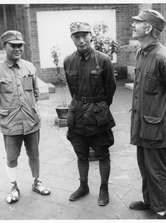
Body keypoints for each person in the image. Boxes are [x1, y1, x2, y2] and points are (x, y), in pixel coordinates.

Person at [129, 9, 166, 219]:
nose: (133, 25)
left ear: (149, 28)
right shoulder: (141, 52)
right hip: (141, 122)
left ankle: (161, 208)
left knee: (156, 169)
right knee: (144, 165)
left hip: (156, 125)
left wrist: (165, 110)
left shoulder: (163, 57)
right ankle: (149, 201)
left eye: (137, 22)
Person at [0, 30, 51, 204]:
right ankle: (14, 186)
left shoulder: (29, 67)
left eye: (20, 45)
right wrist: (4, 114)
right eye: (13, 45)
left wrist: (30, 108)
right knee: (12, 157)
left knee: (34, 154)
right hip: (11, 124)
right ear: (4, 46)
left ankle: (37, 182)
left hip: (31, 121)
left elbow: (35, 92)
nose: (17, 49)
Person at [63, 22, 116, 206]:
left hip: (97, 115)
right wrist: (81, 104)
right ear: (72, 39)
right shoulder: (68, 61)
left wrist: (98, 106)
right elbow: (72, 90)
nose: (81, 40)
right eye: (76, 36)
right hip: (77, 114)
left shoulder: (103, 60)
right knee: (81, 154)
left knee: (102, 153)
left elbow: (110, 89)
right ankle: (83, 186)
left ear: (91, 36)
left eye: (84, 35)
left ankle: (104, 189)